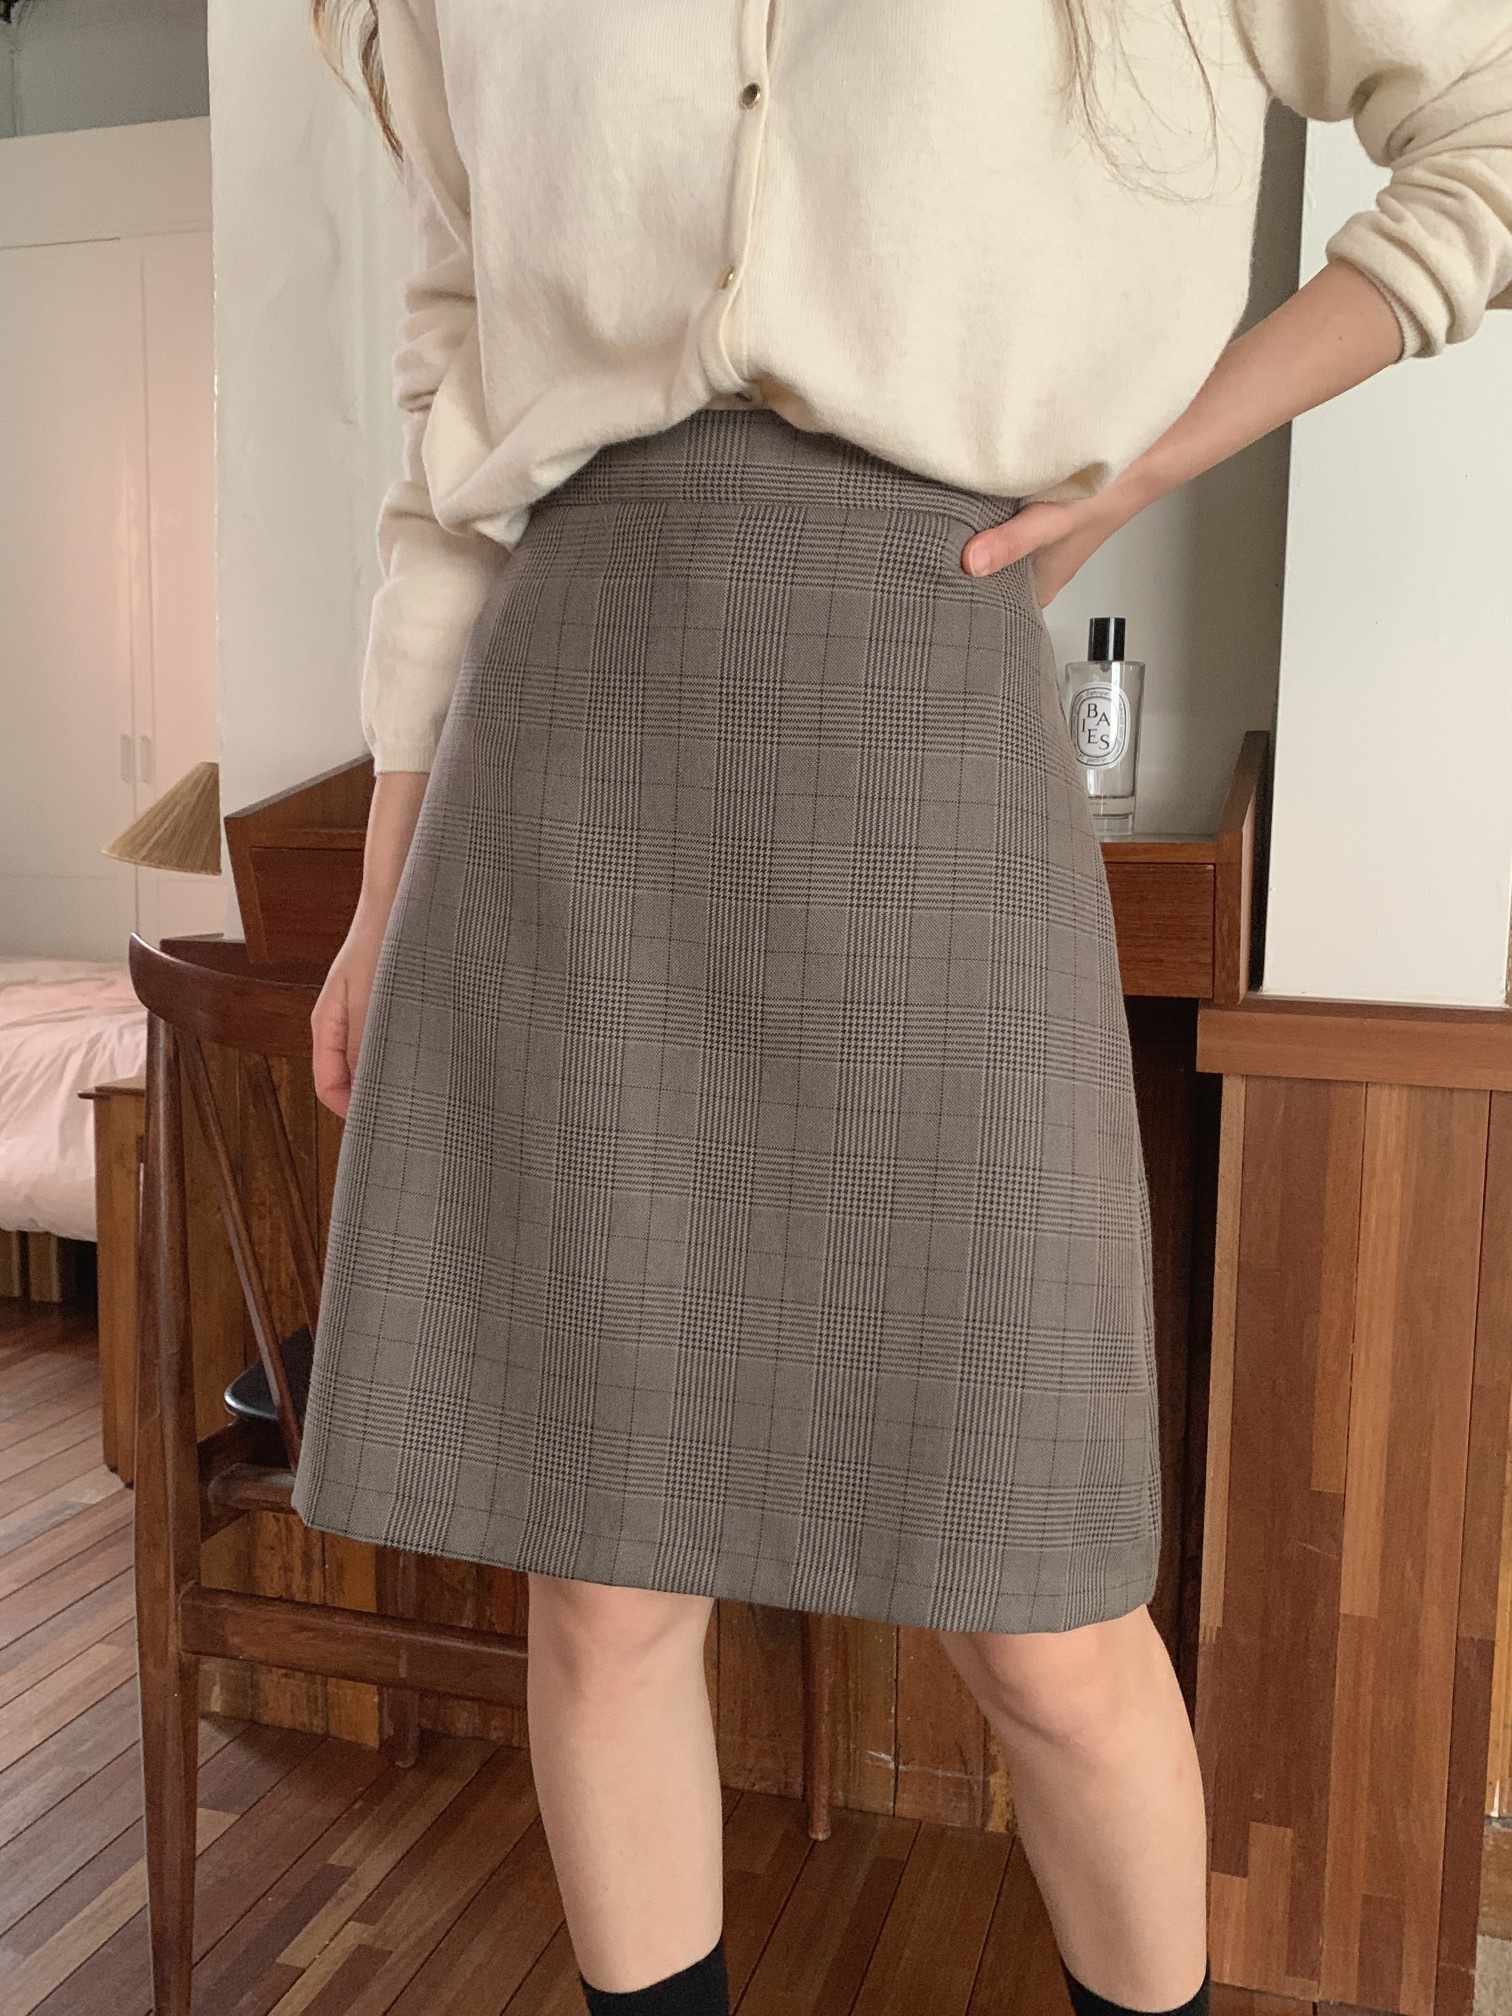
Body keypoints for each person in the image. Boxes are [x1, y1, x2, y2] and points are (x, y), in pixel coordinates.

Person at [287, 5, 1512, 2015]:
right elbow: (451, 399)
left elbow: (1489, 131)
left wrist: (1150, 462)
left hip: (927, 707)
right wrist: (378, 888)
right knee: (602, 1586)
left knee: (1045, 1607)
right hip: (568, 731)